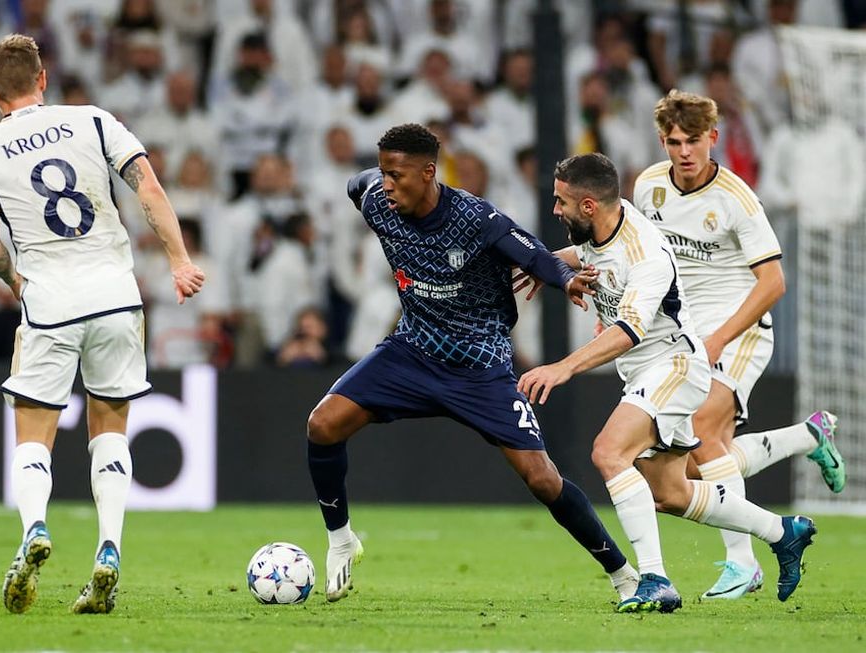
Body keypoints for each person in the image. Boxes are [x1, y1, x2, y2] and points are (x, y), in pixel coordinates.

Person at [307, 123, 640, 607]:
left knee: (543, 479)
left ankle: (623, 574)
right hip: (411, 351)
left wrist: (565, 280)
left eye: (396, 175)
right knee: (322, 425)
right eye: (382, 172)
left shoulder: (475, 217)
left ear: (429, 172)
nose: (386, 184)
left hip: (478, 366)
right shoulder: (376, 198)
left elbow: (533, 253)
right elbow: (355, 184)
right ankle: (341, 541)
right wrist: (375, 178)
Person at [0, 34, 204, 615]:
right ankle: (110, 547)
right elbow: (147, 187)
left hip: (50, 300)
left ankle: (35, 529)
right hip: (116, 294)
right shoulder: (94, 122)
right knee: (111, 428)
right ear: (43, 79)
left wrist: (17, 284)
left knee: (34, 431)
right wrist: (178, 260)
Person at [517, 153, 817, 613]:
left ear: (590, 206)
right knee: (669, 493)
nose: (556, 210)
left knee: (608, 452)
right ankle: (783, 532)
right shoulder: (604, 226)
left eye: (562, 202)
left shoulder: (646, 252)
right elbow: (590, 254)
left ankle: (655, 579)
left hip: (674, 364)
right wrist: (552, 264)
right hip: (646, 370)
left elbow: (629, 331)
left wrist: (563, 368)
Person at [633, 89, 844, 600]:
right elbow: (644, 258)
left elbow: (773, 284)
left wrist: (718, 338)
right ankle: (806, 437)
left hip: (740, 328)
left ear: (714, 139)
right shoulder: (647, 188)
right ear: (663, 141)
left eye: (693, 141)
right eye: (674, 142)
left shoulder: (737, 199)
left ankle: (742, 562)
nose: (684, 153)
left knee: (703, 427)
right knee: (685, 467)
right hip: (682, 333)